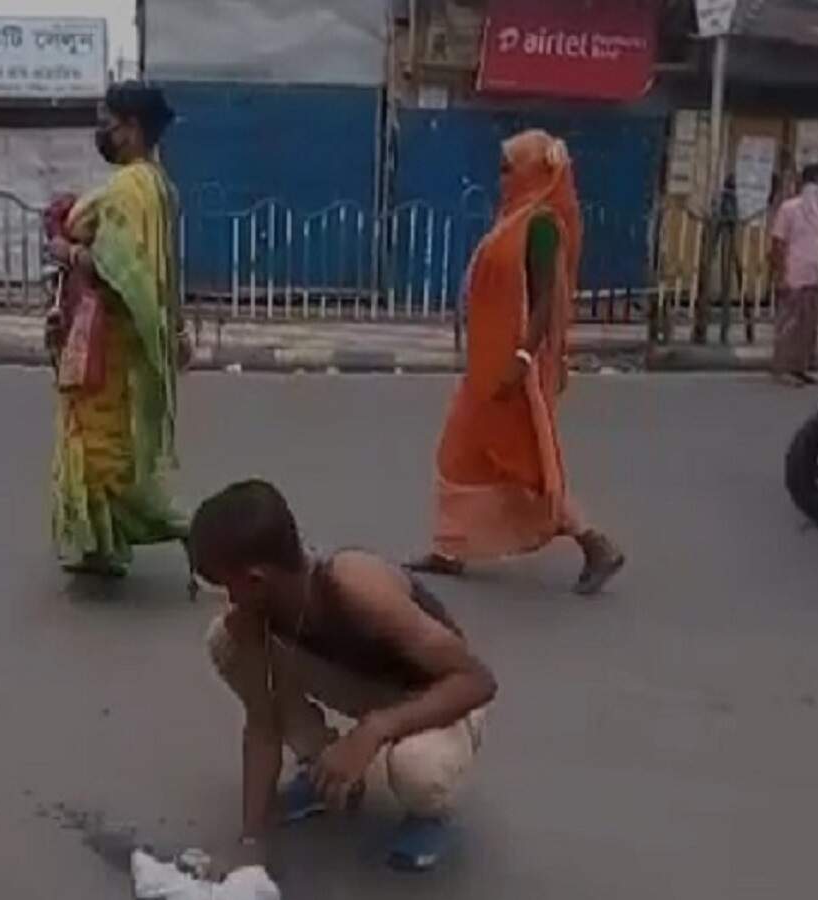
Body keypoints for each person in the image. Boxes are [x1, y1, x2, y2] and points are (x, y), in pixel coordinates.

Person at [188, 480, 497, 874]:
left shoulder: (356, 585)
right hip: (363, 685)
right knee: (226, 640)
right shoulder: (256, 614)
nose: (226, 597)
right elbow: (263, 726)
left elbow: (477, 681)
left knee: (417, 770)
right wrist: (252, 838)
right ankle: (326, 773)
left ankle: (430, 815)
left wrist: (375, 729)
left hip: (439, 694)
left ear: (255, 580)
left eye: (223, 583)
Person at [407, 130, 624, 595]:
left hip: (514, 370)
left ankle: (595, 543)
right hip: (486, 367)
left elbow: (546, 299)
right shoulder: (513, 218)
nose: (501, 177)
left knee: (525, 467)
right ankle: (451, 548)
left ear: (532, 172)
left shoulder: (541, 224)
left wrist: (522, 358)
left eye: (509, 168)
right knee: (458, 455)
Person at [47, 82, 191, 576]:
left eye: (107, 120)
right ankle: (100, 548)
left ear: (130, 128)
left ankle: (187, 532)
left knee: (101, 451)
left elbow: (116, 267)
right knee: (104, 446)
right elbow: (164, 269)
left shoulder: (130, 188)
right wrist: (177, 328)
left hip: (111, 345)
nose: (101, 131)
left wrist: (69, 252)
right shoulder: (159, 186)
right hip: (126, 344)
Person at [770, 163, 818, 386]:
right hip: (794, 273)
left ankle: (801, 367)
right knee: (790, 324)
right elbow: (778, 243)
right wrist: (780, 274)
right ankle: (783, 368)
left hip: (815, 273)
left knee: (809, 326)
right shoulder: (789, 209)